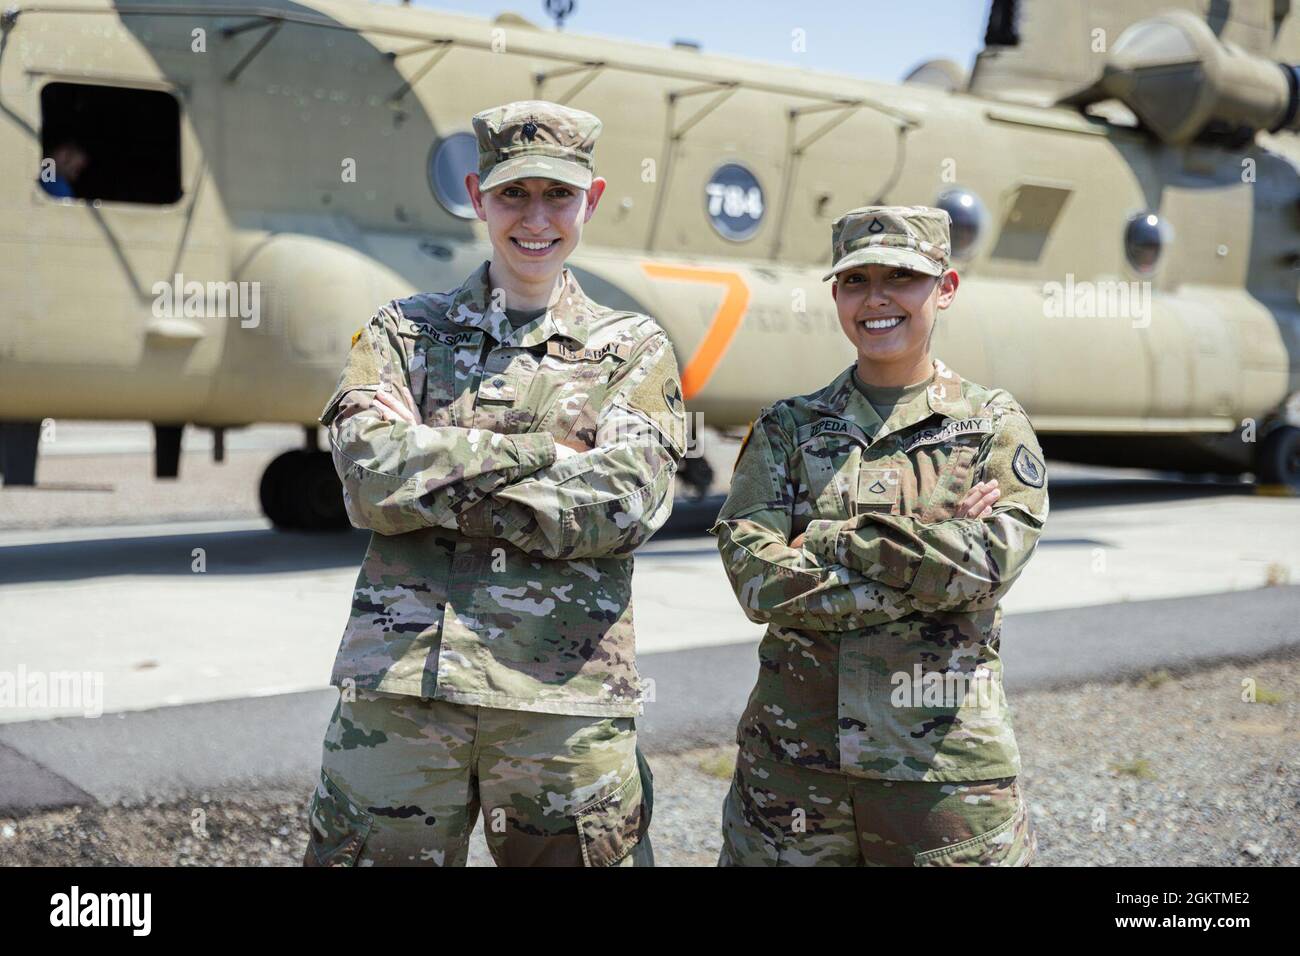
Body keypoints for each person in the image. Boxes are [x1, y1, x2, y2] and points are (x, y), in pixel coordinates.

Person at [303, 100, 687, 867]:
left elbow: (621, 506)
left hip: (562, 701)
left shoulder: (632, 350)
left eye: (558, 195)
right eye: (514, 194)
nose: (535, 217)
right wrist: (547, 453)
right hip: (401, 694)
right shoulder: (403, 332)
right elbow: (371, 477)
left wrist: (438, 466)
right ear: (478, 197)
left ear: (593, 200)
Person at [711, 205, 1048, 866]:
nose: (878, 298)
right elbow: (756, 580)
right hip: (794, 769)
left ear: (945, 288)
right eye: (857, 280)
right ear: (836, 294)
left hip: (941, 775)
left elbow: (983, 570)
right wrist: (929, 559)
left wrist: (827, 540)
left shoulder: (991, 425)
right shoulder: (788, 428)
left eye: (903, 276)